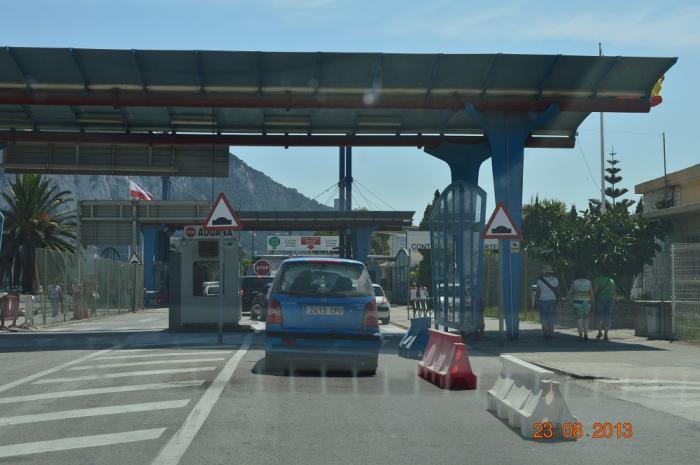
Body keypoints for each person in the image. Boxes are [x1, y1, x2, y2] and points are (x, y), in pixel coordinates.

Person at [567, 270, 594, 341]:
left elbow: (570, 291)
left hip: (577, 302)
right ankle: (586, 333)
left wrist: (568, 298)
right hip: (587, 302)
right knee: (586, 318)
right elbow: (591, 293)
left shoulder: (575, 282)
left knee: (579, 318)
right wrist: (593, 303)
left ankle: (580, 335)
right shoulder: (589, 282)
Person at [535, 266, 560, 339]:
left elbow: (538, 291)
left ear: (544, 272)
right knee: (551, 316)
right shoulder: (555, 279)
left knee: (543, 316)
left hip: (542, 300)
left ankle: (545, 330)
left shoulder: (539, 280)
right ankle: (550, 332)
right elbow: (558, 290)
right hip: (552, 300)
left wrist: (536, 299)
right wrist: (559, 298)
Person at [593, 273, 616, 341]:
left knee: (598, 316)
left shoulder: (597, 279)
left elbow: (595, 291)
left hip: (600, 299)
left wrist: (592, 298)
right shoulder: (611, 280)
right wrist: (613, 301)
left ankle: (600, 332)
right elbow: (614, 292)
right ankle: (606, 333)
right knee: (607, 316)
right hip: (610, 300)